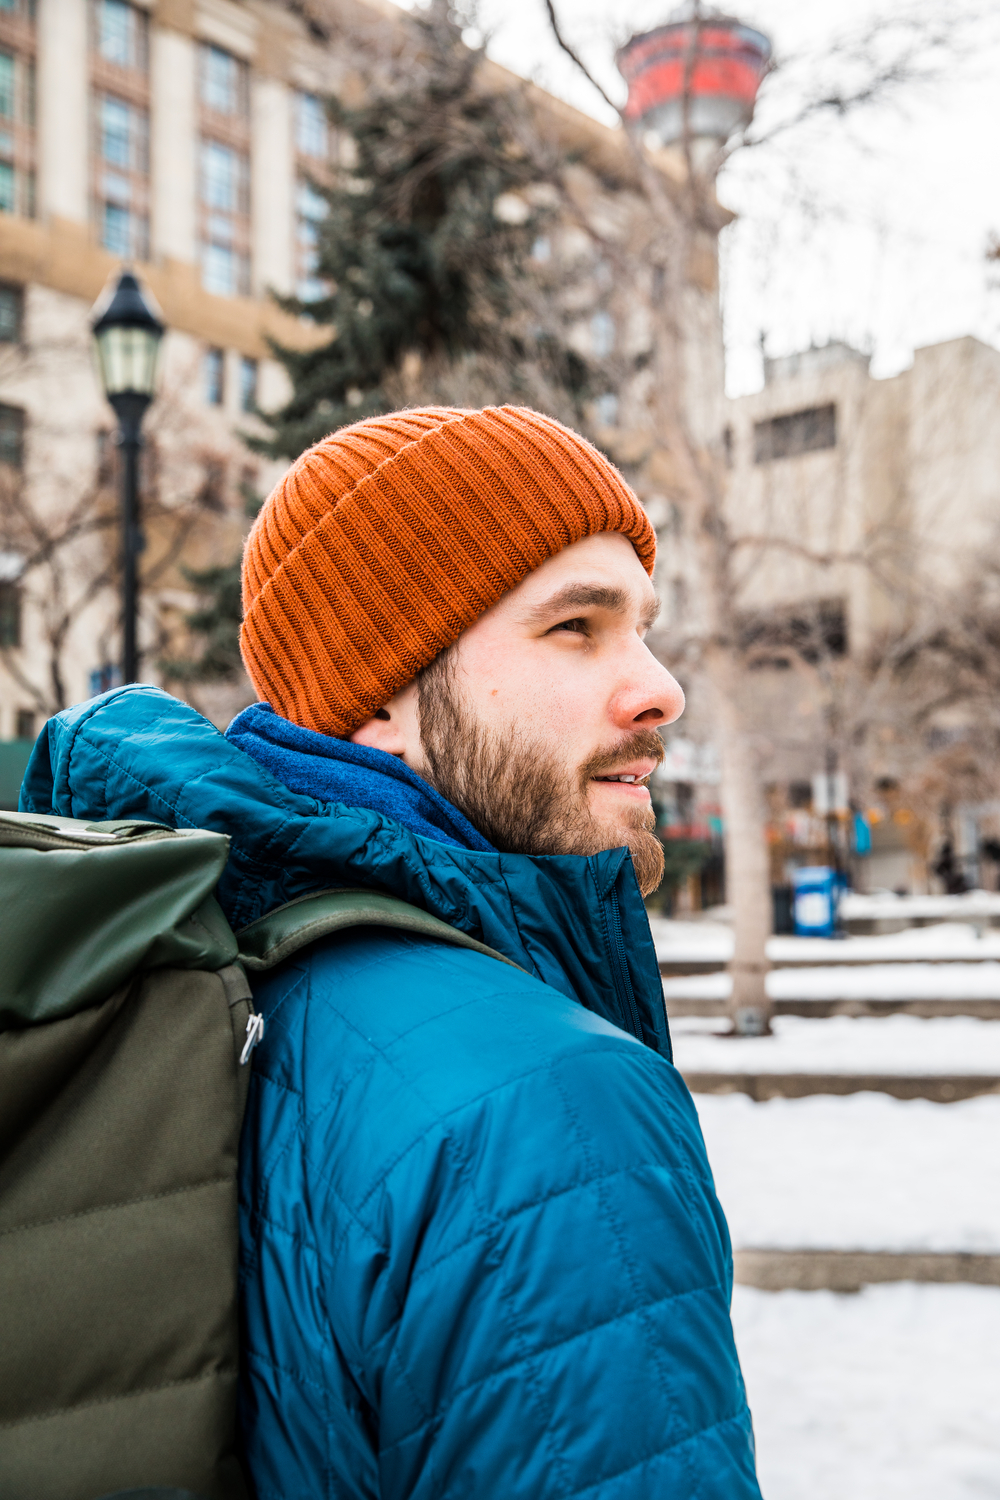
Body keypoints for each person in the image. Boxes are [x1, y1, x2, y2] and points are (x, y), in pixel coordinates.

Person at [22, 406, 761, 1499]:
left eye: (643, 626)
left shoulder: (216, 972)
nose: (658, 686)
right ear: (378, 693)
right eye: (576, 626)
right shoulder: (545, 1104)